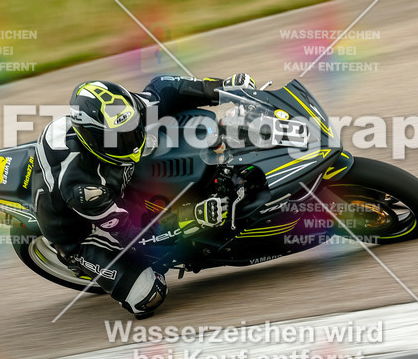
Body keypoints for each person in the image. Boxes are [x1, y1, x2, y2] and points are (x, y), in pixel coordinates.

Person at [32, 74, 255, 318]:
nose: (131, 140)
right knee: (149, 296)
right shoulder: (84, 190)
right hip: (83, 231)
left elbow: (166, 89)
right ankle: (76, 259)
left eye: (131, 130)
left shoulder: (121, 112)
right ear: (94, 140)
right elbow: (133, 233)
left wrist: (223, 88)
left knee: (178, 126)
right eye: (120, 138)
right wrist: (192, 217)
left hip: (111, 181)